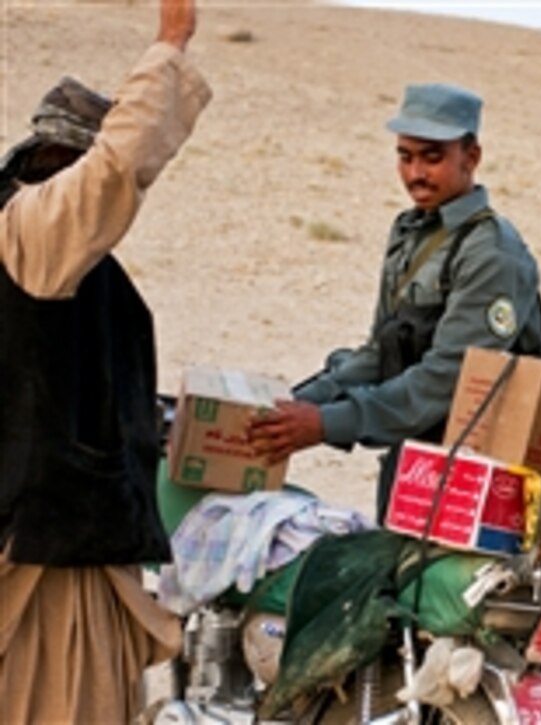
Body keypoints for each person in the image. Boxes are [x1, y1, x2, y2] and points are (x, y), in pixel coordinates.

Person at [0, 0, 212, 722]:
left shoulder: (98, 279)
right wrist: (170, 47)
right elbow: (118, 166)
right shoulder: (29, 230)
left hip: (84, 548)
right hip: (37, 562)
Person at [247, 83, 541, 523]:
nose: (415, 174)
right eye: (405, 157)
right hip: (416, 454)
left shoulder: (492, 252)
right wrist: (289, 405)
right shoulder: (412, 233)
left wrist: (325, 423)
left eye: (432, 157)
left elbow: (451, 379)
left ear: (472, 157)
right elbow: (378, 353)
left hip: (484, 478)